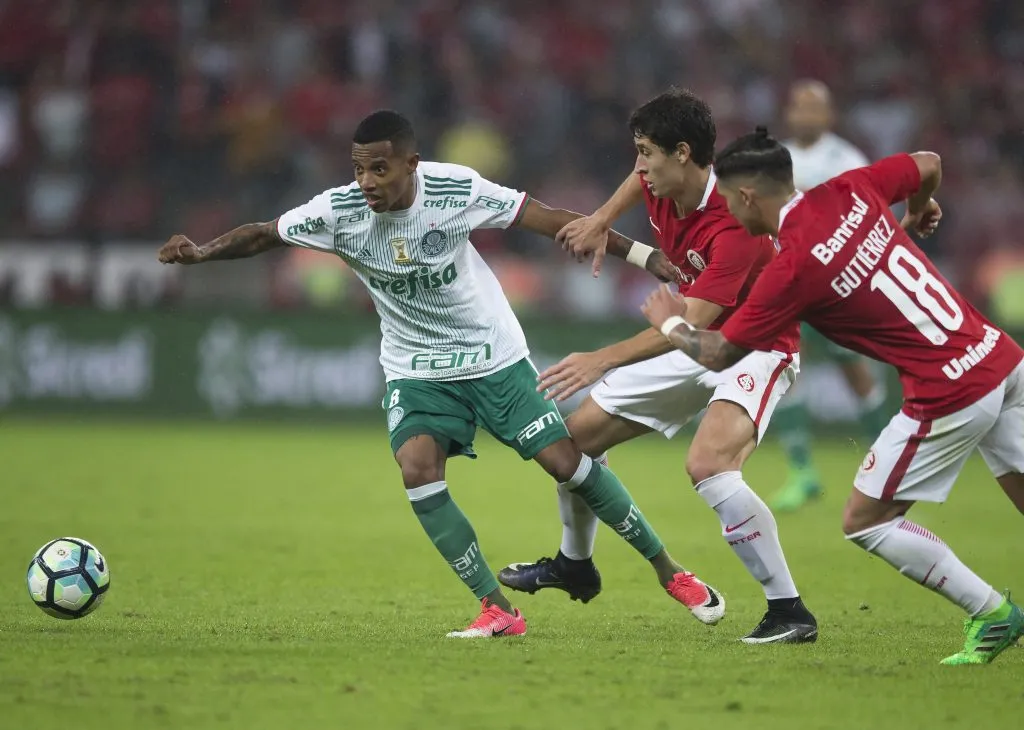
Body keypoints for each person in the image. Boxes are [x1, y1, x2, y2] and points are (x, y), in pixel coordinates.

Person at [157, 109, 723, 639]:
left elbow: (549, 220)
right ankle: (497, 608)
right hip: (415, 366)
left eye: (379, 168)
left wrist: (644, 256)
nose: (367, 181)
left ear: (411, 165)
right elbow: (265, 232)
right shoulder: (338, 211)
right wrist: (202, 253)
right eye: (358, 169)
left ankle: (669, 570)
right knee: (416, 469)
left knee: (566, 464)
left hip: (491, 357)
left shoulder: (454, 189)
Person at [641, 126, 1024, 665]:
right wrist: (916, 210)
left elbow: (720, 353)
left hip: (951, 387)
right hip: (1000, 356)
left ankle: (990, 613)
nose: (728, 210)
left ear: (747, 196)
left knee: (867, 520)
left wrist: (670, 324)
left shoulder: (791, 267)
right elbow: (929, 162)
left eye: (728, 200)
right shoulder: (849, 189)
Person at [497, 89, 817, 644]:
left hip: (751, 345)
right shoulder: (662, 180)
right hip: (690, 339)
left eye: (648, 152)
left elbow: (691, 322)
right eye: (638, 151)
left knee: (709, 465)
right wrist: (601, 219)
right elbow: (636, 183)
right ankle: (575, 564)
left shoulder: (735, 222)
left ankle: (790, 610)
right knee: (573, 445)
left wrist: (601, 359)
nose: (640, 164)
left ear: (684, 154)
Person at [772, 79, 890, 512]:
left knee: (854, 370)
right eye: (798, 106)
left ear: (828, 115)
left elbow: (868, 218)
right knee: (786, 370)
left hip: (839, 286)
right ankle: (802, 472)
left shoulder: (847, 159)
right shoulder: (775, 158)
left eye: (813, 108)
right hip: (788, 284)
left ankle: (887, 462)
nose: (804, 115)